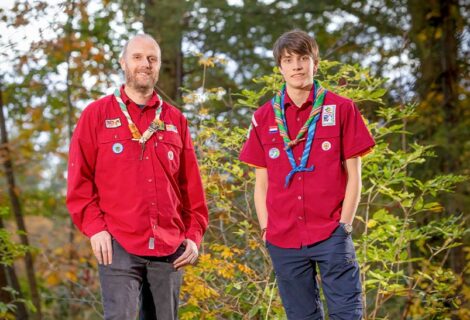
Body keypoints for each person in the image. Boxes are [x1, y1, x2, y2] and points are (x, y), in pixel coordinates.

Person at [66, 34, 208, 320]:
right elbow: (79, 182)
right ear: (123, 62)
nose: (145, 64)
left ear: (158, 66)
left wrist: (193, 236)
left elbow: (190, 187)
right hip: (118, 241)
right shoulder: (95, 115)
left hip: (169, 246)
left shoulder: (175, 119)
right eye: (138, 57)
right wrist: (95, 228)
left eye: (152, 59)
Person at [239, 29, 375, 320]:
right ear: (280, 67)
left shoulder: (341, 108)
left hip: (331, 233)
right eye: (289, 60)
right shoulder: (264, 117)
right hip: (284, 237)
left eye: (303, 58)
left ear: (316, 62)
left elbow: (355, 175)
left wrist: (345, 226)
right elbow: (260, 183)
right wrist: (266, 229)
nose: (297, 66)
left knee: (347, 315)